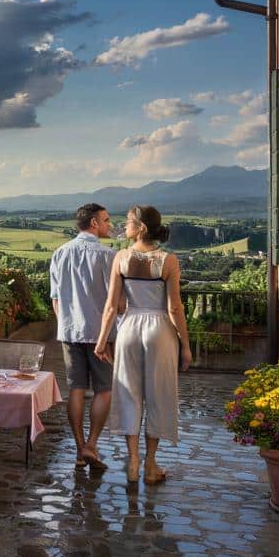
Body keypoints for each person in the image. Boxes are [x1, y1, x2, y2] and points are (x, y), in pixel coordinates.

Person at [93, 205, 191, 485]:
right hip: (159, 330)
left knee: (128, 395)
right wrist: (185, 345)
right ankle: (151, 465)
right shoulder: (168, 260)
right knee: (158, 396)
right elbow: (175, 308)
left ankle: (133, 460)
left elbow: (111, 306)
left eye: (128, 222)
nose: (123, 226)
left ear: (141, 228)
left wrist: (101, 342)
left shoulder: (121, 258)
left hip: (129, 329)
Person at [49, 202, 116, 470]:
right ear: (94, 223)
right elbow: (115, 301)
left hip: (69, 331)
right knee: (104, 390)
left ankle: (80, 450)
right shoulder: (107, 255)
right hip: (101, 334)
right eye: (107, 220)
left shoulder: (60, 253)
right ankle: (91, 444)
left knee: (75, 389)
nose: (110, 224)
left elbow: (55, 299)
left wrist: (65, 324)